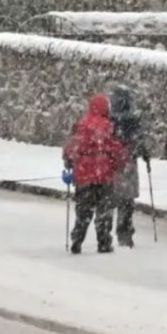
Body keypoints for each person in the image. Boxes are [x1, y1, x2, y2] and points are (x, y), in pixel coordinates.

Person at [63, 94, 128, 254]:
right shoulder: (108, 127)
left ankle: (77, 238)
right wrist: (119, 163)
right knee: (104, 212)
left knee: (83, 211)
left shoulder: (80, 125)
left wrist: (69, 161)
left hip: (83, 176)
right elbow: (116, 150)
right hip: (104, 176)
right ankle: (104, 241)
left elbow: (71, 147)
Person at [108, 84, 151, 248]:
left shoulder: (109, 120)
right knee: (126, 201)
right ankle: (124, 233)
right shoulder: (133, 121)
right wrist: (144, 155)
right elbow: (139, 142)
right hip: (128, 165)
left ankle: (105, 231)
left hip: (112, 166)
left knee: (111, 199)